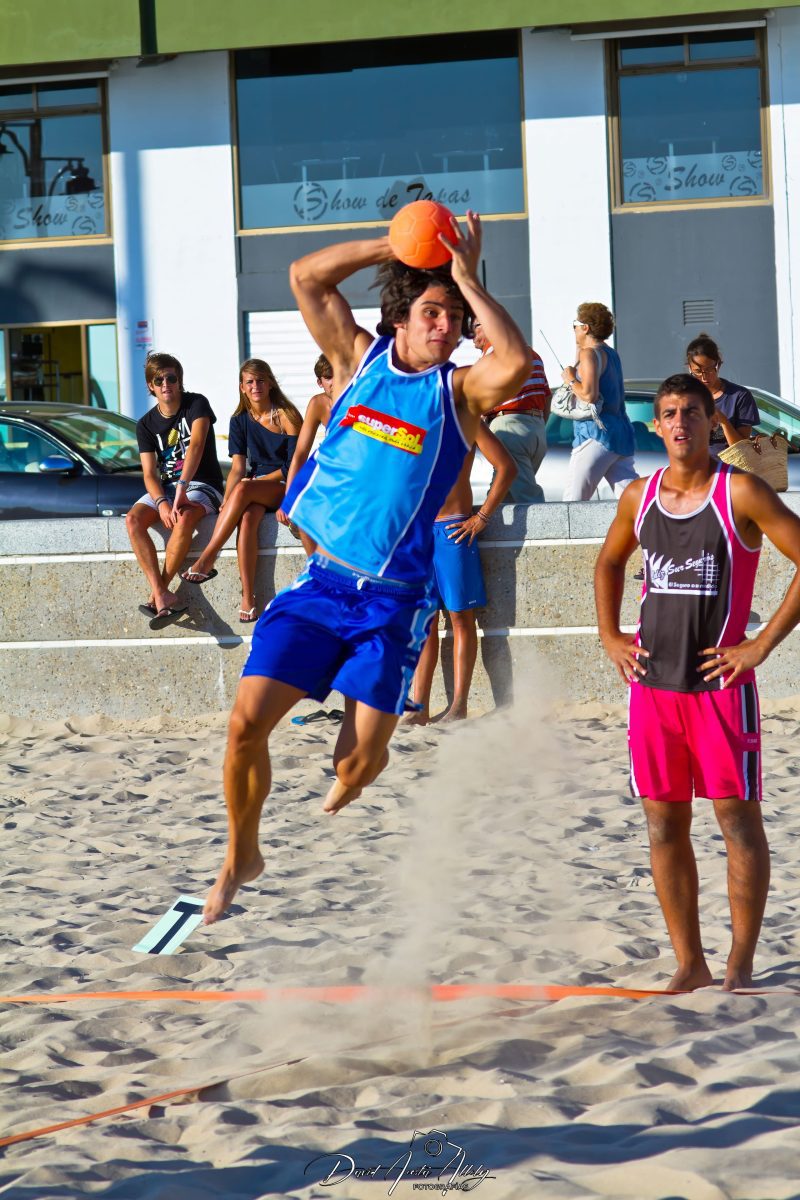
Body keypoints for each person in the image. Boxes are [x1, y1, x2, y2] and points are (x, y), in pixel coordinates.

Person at [202, 210, 530, 923]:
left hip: (391, 602)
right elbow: (304, 276)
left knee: (354, 764)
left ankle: (365, 762)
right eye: (431, 313)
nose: (444, 327)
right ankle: (241, 855)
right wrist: (394, 245)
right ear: (400, 321)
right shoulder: (359, 361)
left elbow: (516, 364)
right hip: (321, 587)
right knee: (244, 727)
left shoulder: (458, 391)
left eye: (452, 317)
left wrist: (467, 279)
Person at [595, 372, 800, 992]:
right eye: (668, 413)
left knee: (737, 821)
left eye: (691, 410)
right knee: (663, 824)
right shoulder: (639, 495)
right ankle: (690, 962)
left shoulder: (741, 493)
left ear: (713, 421)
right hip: (653, 689)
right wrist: (609, 637)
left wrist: (759, 646)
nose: (679, 421)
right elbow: (608, 562)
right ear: (654, 426)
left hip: (718, 691)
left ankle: (738, 963)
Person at [404, 422, 516, 724]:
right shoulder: (410, 414)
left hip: (453, 528)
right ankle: (419, 709)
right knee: (424, 622)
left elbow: (506, 467)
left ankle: (458, 706)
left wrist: (482, 517)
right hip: (417, 531)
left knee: (460, 618)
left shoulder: (466, 419)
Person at [181, 359, 302, 621]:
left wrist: (252, 484)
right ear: (242, 387)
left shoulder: (287, 415)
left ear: (270, 383)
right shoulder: (239, 420)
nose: (255, 386)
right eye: (250, 382)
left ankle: (208, 556)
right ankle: (248, 597)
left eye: (260, 380)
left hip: (285, 485)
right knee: (246, 520)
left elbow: (295, 464)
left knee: (245, 490)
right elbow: (237, 469)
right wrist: (229, 499)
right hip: (253, 489)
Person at [126, 352, 224, 627]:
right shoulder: (145, 424)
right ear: (151, 386)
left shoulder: (196, 404)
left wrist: (180, 490)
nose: (166, 383)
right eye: (159, 380)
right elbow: (148, 472)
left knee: (184, 516)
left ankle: (159, 592)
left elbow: (196, 446)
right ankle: (162, 595)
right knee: (133, 520)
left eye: (172, 378)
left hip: (202, 484)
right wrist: (161, 502)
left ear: (180, 381)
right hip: (168, 488)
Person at [561, 303, 638, 501]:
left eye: (575, 325)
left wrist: (570, 378)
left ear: (585, 327)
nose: (573, 330)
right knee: (632, 502)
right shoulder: (611, 354)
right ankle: (649, 531)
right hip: (620, 435)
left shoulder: (590, 354)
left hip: (595, 435)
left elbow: (589, 395)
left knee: (571, 506)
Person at [473, 320, 550, 503]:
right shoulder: (532, 354)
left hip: (509, 429)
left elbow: (477, 402)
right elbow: (547, 396)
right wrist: (536, 424)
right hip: (536, 428)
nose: (470, 330)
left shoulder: (492, 357)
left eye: (476, 325)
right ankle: (487, 528)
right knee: (501, 496)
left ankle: (551, 531)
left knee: (528, 497)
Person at [277, 353, 335, 553]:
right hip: (330, 472)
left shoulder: (360, 398)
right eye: (329, 377)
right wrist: (289, 497)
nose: (335, 382)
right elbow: (300, 452)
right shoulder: (318, 403)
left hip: (355, 477)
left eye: (339, 375)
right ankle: (317, 572)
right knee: (302, 517)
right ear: (320, 382)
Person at [685, 332, 759, 456]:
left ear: (718, 365)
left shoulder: (739, 396)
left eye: (709, 370)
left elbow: (742, 451)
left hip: (730, 471)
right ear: (690, 369)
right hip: (697, 470)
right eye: (697, 372)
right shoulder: (685, 398)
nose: (704, 377)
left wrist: (722, 419)